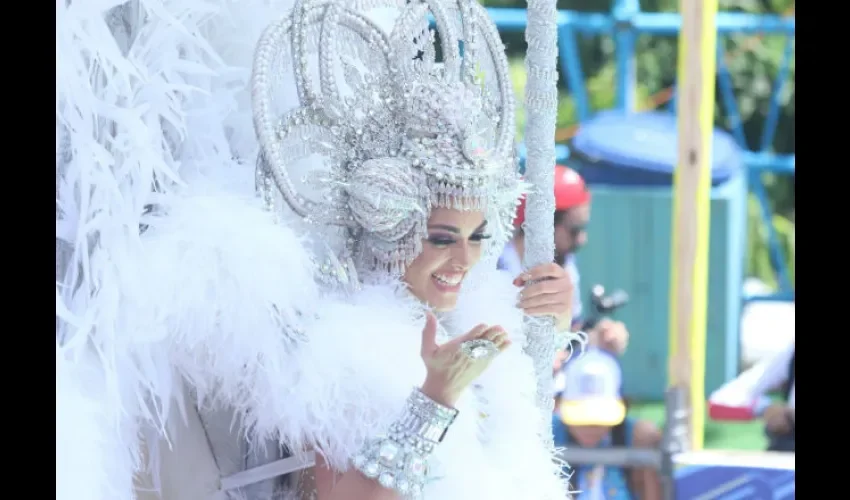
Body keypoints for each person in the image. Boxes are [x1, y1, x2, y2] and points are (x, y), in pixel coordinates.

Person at [56, 2, 579, 500]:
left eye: (477, 237)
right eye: (441, 238)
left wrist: (548, 324)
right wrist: (434, 398)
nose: (463, 260)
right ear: (389, 224)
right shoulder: (341, 350)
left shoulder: (476, 323)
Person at [500, 165, 629, 358]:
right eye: (574, 230)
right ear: (540, 227)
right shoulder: (494, 274)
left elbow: (565, 336)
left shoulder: (564, 263)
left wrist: (598, 338)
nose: (582, 239)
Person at [553, 349, 661, 500]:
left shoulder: (637, 439)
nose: (590, 427)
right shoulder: (549, 435)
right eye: (582, 418)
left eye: (598, 420)